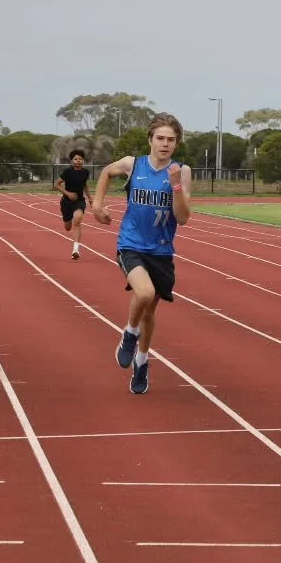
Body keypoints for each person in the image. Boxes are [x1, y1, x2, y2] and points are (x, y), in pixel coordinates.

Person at [91, 113, 193, 396]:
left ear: (176, 144)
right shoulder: (132, 164)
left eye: (171, 140)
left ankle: (142, 361)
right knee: (144, 293)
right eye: (160, 138)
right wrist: (98, 205)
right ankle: (129, 334)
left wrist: (175, 186)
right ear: (150, 140)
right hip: (131, 244)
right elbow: (105, 173)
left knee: (150, 311)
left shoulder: (182, 171)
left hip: (161, 250)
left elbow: (183, 218)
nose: (165, 144)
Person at [56, 149, 91, 259]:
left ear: (83, 161)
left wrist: (90, 198)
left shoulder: (85, 172)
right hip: (67, 202)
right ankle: (68, 220)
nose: (78, 161)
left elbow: (85, 185)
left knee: (77, 219)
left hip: (79, 201)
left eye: (80, 159)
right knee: (67, 227)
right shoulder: (67, 171)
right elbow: (56, 184)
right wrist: (68, 194)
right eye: (76, 159)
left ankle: (75, 250)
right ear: (72, 161)